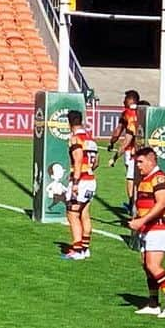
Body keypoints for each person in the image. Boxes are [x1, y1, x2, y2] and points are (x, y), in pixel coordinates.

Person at [128, 145, 165, 318]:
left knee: (153, 265)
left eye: (141, 162)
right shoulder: (146, 178)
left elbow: (161, 204)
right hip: (148, 228)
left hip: (159, 228)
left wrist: (141, 221)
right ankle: (153, 303)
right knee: (147, 266)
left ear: (151, 161)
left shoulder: (159, 179)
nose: (138, 166)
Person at [62, 108, 98, 260]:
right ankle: (85, 248)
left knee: (72, 214)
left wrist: (75, 182)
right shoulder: (90, 139)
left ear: (69, 123)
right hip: (91, 179)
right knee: (85, 214)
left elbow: (77, 160)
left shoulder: (75, 139)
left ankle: (77, 250)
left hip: (81, 180)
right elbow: (96, 162)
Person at [108, 88, 141, 212]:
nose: (123, 101)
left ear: (130, 100)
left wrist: (112, 145)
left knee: (131, 178)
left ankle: (133, 204)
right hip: (147, 152)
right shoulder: (144, 110)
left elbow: (119, 132)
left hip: (132, 152)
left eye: (125, 99)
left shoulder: (127, 113)